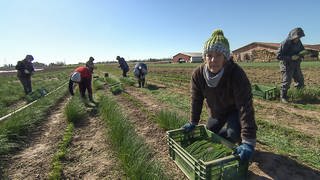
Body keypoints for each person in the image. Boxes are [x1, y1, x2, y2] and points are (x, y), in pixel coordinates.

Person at [182, 29, 257, 162]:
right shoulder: (198, 75)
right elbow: (196, 99)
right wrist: (193, 121)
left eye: (218, 55)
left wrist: (249, 141)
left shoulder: (236, 74)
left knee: (232, 133)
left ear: (226, 58)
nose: (213, 60)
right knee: (211, 133)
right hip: (216, 112)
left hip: (235, 111)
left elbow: (245, 107)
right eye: (209, 55)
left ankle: (239, 141)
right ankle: (228, 138)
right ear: (204, 57)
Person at [276, 27, 305, 103]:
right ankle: (283, 97)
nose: (298, 39)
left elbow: (302, 50)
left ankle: (299, 94)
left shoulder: (299, 42)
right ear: (292, 36)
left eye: (299, 37)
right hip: (286, 65)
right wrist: (291, 58)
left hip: (296, 64)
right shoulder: (285, 43)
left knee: (300, 80)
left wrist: (302, 55)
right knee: (287, 81)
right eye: (297, 37)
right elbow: (278, 56)